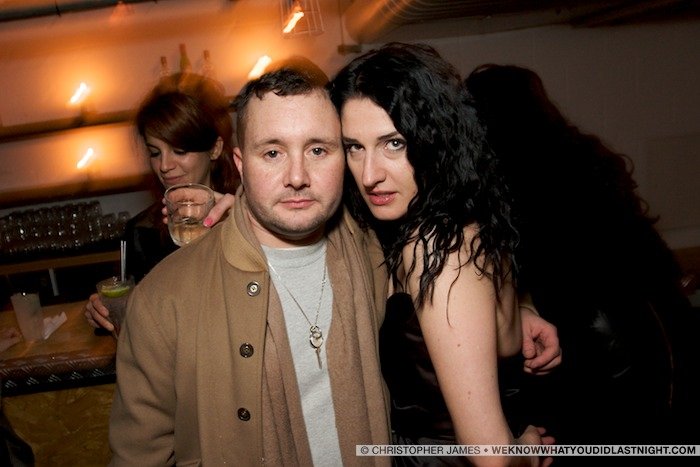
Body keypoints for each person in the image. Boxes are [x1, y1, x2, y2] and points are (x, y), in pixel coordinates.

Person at [108, 62, 391, 465]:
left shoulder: (374, 250)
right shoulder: (162, 300)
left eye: (317, 150)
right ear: (240, 164)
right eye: (272, 153)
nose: (297, 176)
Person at [329, 42, 554, 466]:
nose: (370, 174)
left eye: (393, 143)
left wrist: (527, 449)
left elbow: (491, 457)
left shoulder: (438, 245)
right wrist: (522, 309)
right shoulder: (456, 217)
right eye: (354, 147)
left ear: (433, 139)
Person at [465, 64, 699, 449]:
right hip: (656, 334)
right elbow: (651, 254)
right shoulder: (582, 157)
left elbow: (539, 285)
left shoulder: (503, 189)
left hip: (599, 351)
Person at [84, 72, 239, 332]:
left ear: (214, 149)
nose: (164, 165)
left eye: (180, 150)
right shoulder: (141, 232)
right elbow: (134, 315)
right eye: (155, 153)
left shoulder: (245, 216)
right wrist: (100, 312)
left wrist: (241, 227)